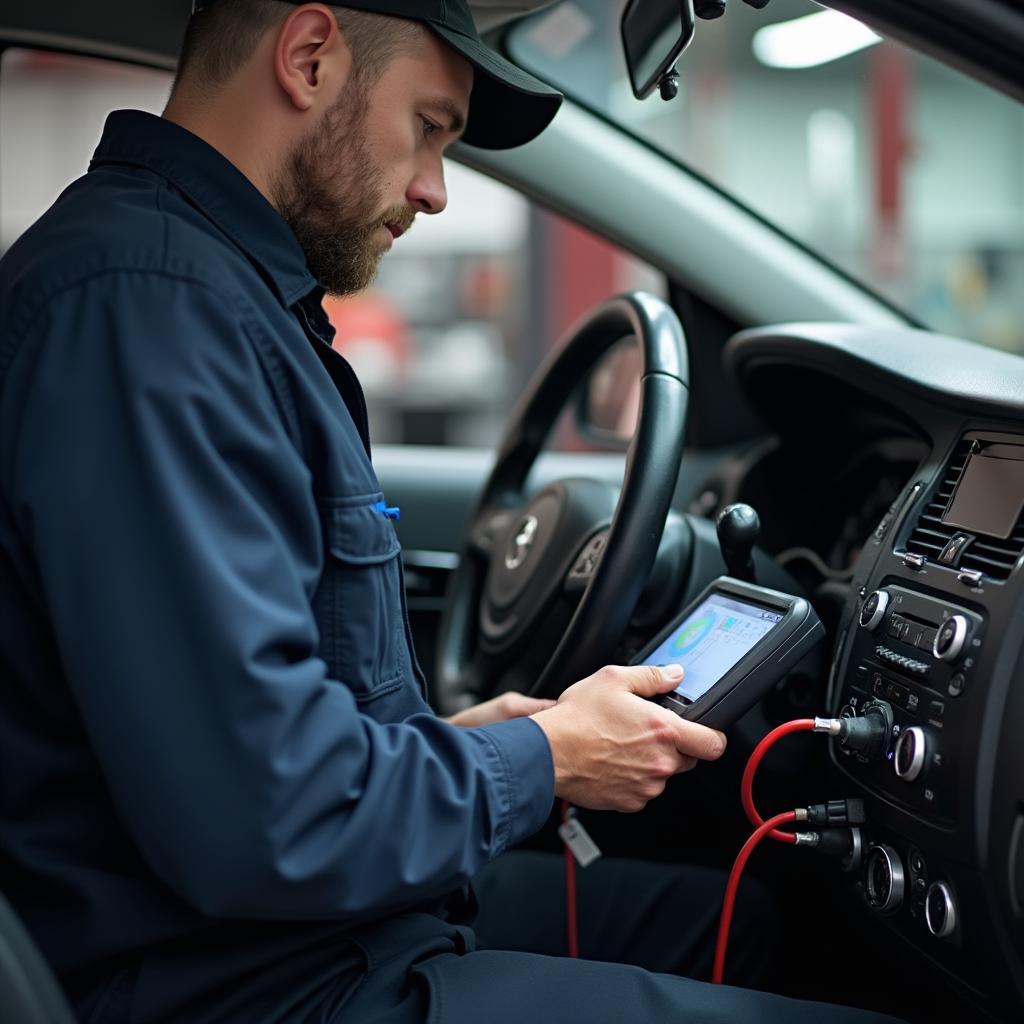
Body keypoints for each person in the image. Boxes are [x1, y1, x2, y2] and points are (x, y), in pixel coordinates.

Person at [0, 2, 905, 1022]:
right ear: (307, 57)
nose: (434, 187)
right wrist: (545, 756)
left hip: (304, 932)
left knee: (746, 922)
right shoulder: (146, 313)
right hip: (251, 984)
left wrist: (467, 740)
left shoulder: (202, 295)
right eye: (429, 127)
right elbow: (260, 817)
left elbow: (249, 726)